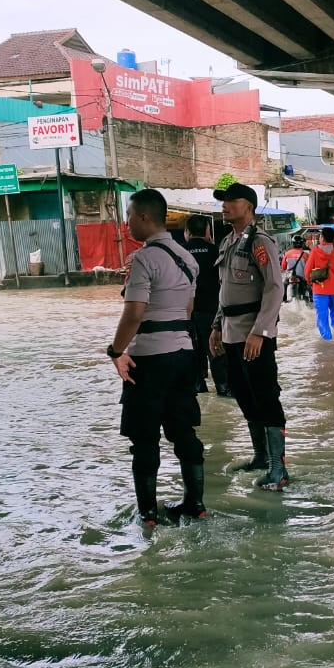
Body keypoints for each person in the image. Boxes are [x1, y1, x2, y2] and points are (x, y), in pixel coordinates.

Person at [110, 190, 206, 527]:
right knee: (184, 431)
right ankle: (196, 504)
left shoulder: (143, 259)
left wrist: (116, 351)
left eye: (130, 216)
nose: (127, 223)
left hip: (149, 359)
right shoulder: (187, 257)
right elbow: (188, 310)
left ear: (145, 217)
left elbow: (134, 313)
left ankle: (148, 515)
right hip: (184, 355)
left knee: (145, 437)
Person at [208, 182, 289, 491]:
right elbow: (224, 292)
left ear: (249, 206)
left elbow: (274, 288)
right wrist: (216, 327)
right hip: (230, 333)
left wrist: (260, 332)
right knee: (244, 396)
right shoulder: (228, 242)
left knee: (266, 397)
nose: (225, 205)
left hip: (254, 334)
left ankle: (277, 469)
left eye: (231, 200)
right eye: (223, 201)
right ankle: (260, 457)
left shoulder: (260, 242)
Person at [183, 214, 229, 396]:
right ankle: (223, 388)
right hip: (214, 314)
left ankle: (199, 390)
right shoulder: (217, 252)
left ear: (187, 232)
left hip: (187, 314)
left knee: (192, 356)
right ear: (208, 231)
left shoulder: (180, 254)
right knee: (217, 352)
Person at [304, 227, 334, 339]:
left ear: (322, 238)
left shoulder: (315, 252)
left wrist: (310, 282)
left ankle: (328, 342)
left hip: (320, 290)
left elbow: (307, 271)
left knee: (322, 318)